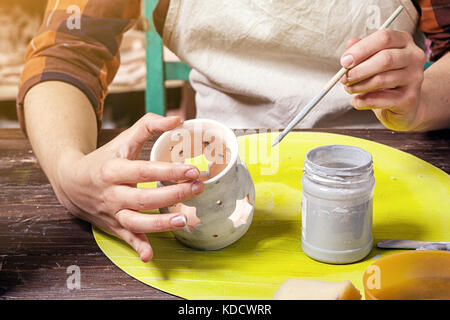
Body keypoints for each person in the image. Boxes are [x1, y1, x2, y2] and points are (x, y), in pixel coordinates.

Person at [17, 0, 450, 261]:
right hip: (218, 167)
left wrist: (421, 97)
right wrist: (67, 169)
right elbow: (69, 48)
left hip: (383, 171)